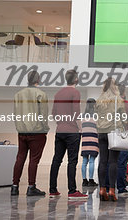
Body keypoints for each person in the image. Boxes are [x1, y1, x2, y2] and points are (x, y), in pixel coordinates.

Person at [49, 69, 88, 200]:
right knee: (72, 161)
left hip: (60, 130)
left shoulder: (58, 93)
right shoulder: (75, 92)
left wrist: (61, 122)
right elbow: (76, 112)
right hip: (72, 132)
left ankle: (52, 189)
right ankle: (72, 191)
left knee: (56, 160)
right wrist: (80, 128)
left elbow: (53, 113)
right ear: (76, 79)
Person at [11, 71, 49, 196]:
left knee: (20, 158)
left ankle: (14, 187)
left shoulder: (18, 94)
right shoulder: (41, 94)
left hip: (22, 131)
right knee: (34, 160)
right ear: (38, 79)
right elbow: (43, 115)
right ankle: (31, 187)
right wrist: (45, 128)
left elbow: (16, 113)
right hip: (36, 132)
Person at [95, 78, 127, 201]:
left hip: (101, 132)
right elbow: (123, 117)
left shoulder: (99, 100)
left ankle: (102, 188)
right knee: (113, 161)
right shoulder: (117, 100)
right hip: (113, 132)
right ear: (115, 87)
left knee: (102, 161)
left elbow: (97, 115)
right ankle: (112, 190)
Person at [116, 83, 128, 196]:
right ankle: (121, 187)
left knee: (111, 162)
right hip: (124, 136)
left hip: (112, 135)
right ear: (124, 92)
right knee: (122, 163)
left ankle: (109, 187)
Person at [81, 98, 99, 187]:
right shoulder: (96, 116)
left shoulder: (83, 116)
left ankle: (84, 180)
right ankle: (91, 180)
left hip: (84, 140)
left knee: (84, 161)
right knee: (91, 161)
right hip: (94, 139)